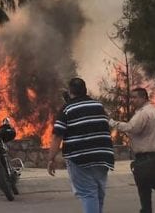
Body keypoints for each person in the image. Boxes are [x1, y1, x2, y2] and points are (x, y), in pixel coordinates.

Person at [47, 77, 115, 213]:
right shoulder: (98, 106)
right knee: (98, 194)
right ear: (85, 90)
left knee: (88, 194)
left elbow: (57, 136)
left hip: (80, 159)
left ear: (70, 92)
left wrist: (50, 158)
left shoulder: (67, 109)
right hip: (103, 157)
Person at [109, 87, 155, 213]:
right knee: (145, 187)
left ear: (143, 97)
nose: (132, 100)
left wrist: (111, 122)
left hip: (147, 158)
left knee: (148, 183)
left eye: (135, 97)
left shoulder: (143, 113)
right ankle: (146, 210)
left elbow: (131, 127)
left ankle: (146, 210)